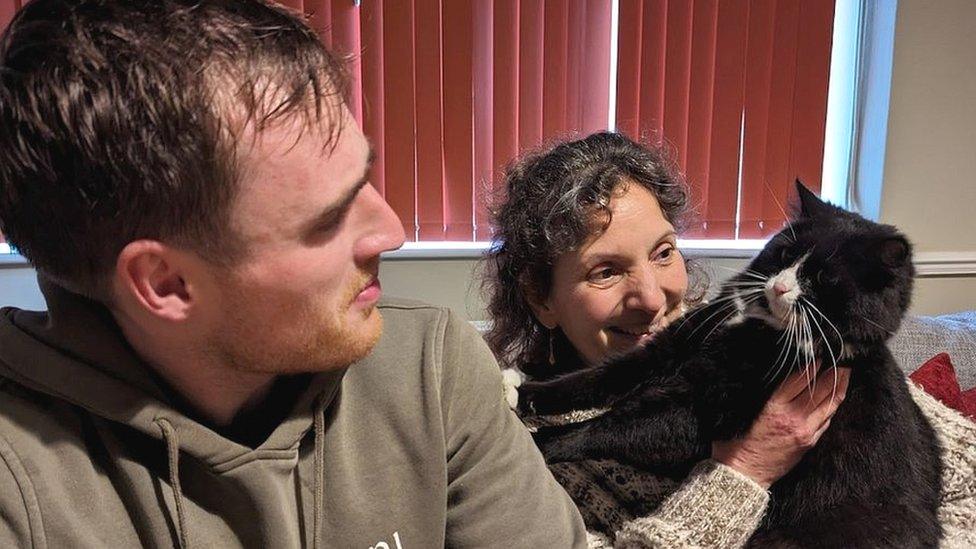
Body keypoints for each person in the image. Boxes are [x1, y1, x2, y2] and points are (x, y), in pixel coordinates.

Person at [0, 1, 596, 547]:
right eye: (328, 220)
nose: (391, 231)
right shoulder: (21, 479)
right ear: (166, 285)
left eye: (364, 177)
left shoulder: (427, 371)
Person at [482, 132, 976, 547]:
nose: (652, 299)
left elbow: (964, 479)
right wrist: (742, 472)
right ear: (540, 296)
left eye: (662, 253)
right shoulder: (524, 451)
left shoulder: (786, 341)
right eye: (606, 271)